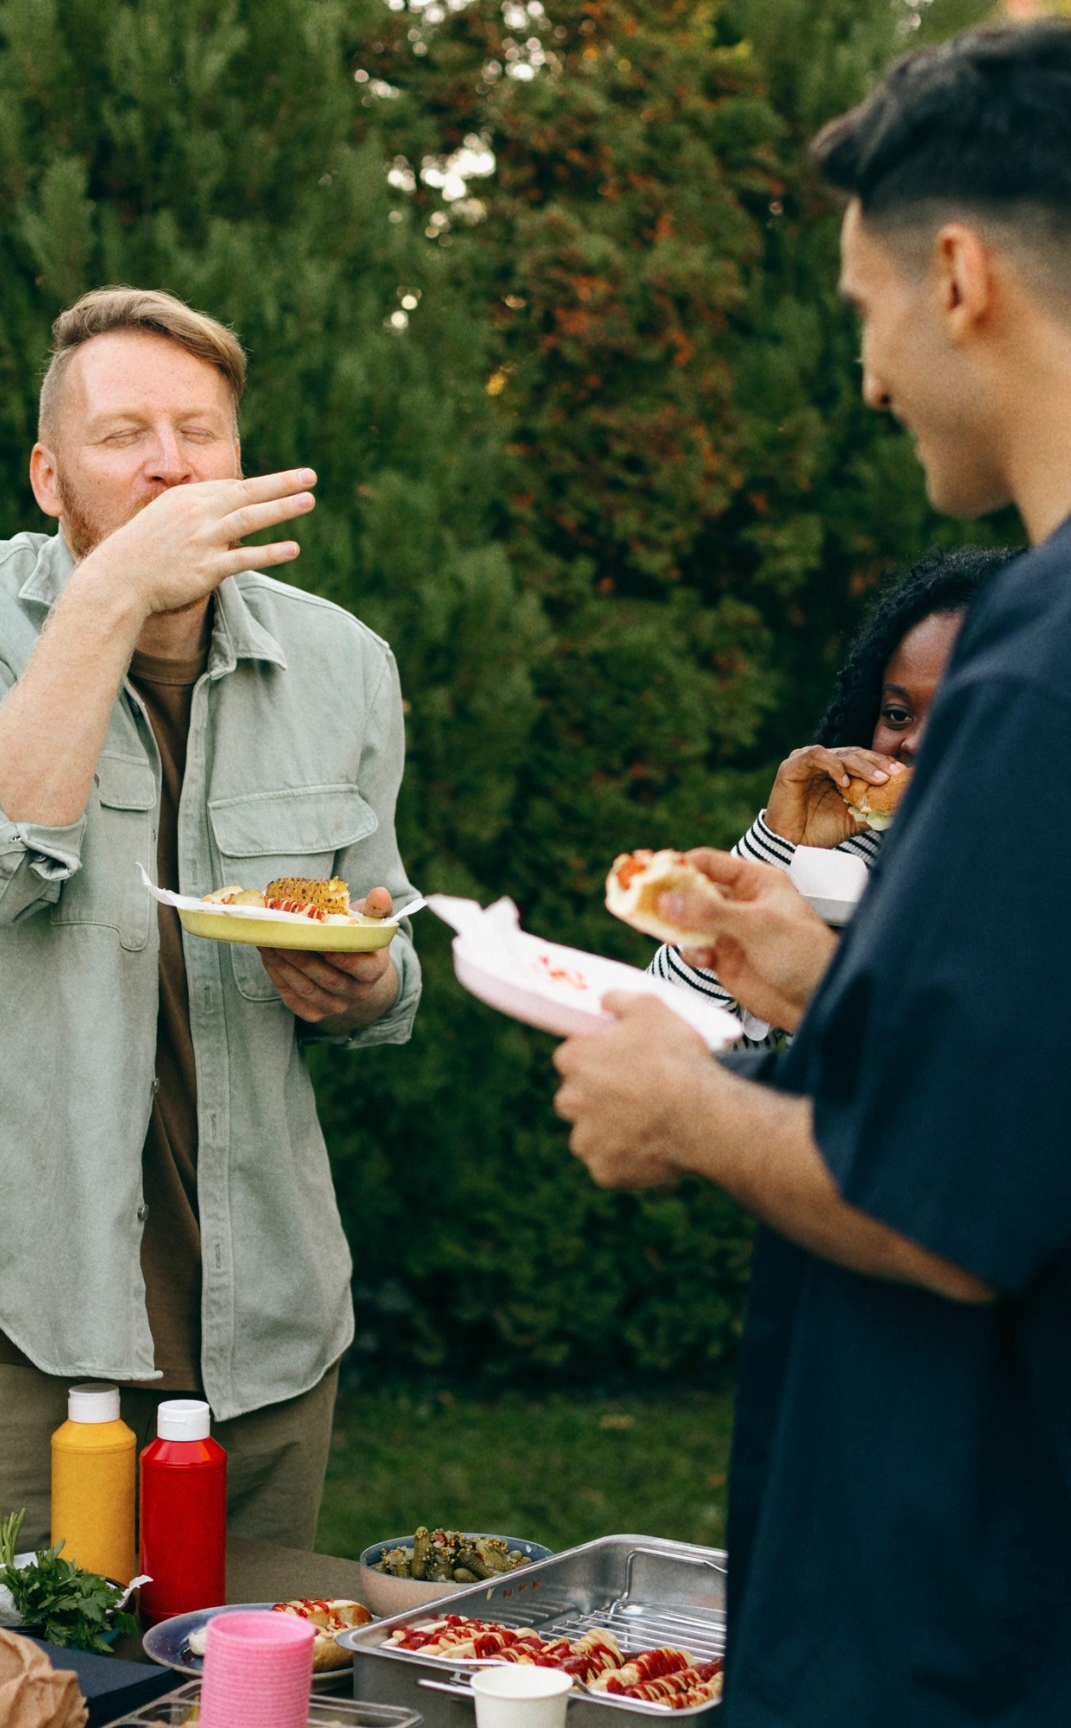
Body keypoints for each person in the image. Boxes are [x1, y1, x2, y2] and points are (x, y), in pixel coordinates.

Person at [551, 20, 1071, 1725]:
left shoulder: (1036, 653)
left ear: (955, 272)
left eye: (861, 314)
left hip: (957, 1620)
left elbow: (946, 1211)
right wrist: (834, 988)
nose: (864, 373)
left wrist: (676, 1097)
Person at [0, 287, 420, 1561]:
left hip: (266, 1321)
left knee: (243, 1687)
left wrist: (369, 983)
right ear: (49, 475)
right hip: (7, 1309)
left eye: (200, 432)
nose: (170, 462)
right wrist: (109, 600)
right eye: (125, 435)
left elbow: (384, 942)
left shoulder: (345, 663)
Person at [648, 544, 1016, 1042]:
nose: (914, 742)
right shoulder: (840, 874)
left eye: (957, 712)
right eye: (897, 714)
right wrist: (775, 846)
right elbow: (662, 1022)